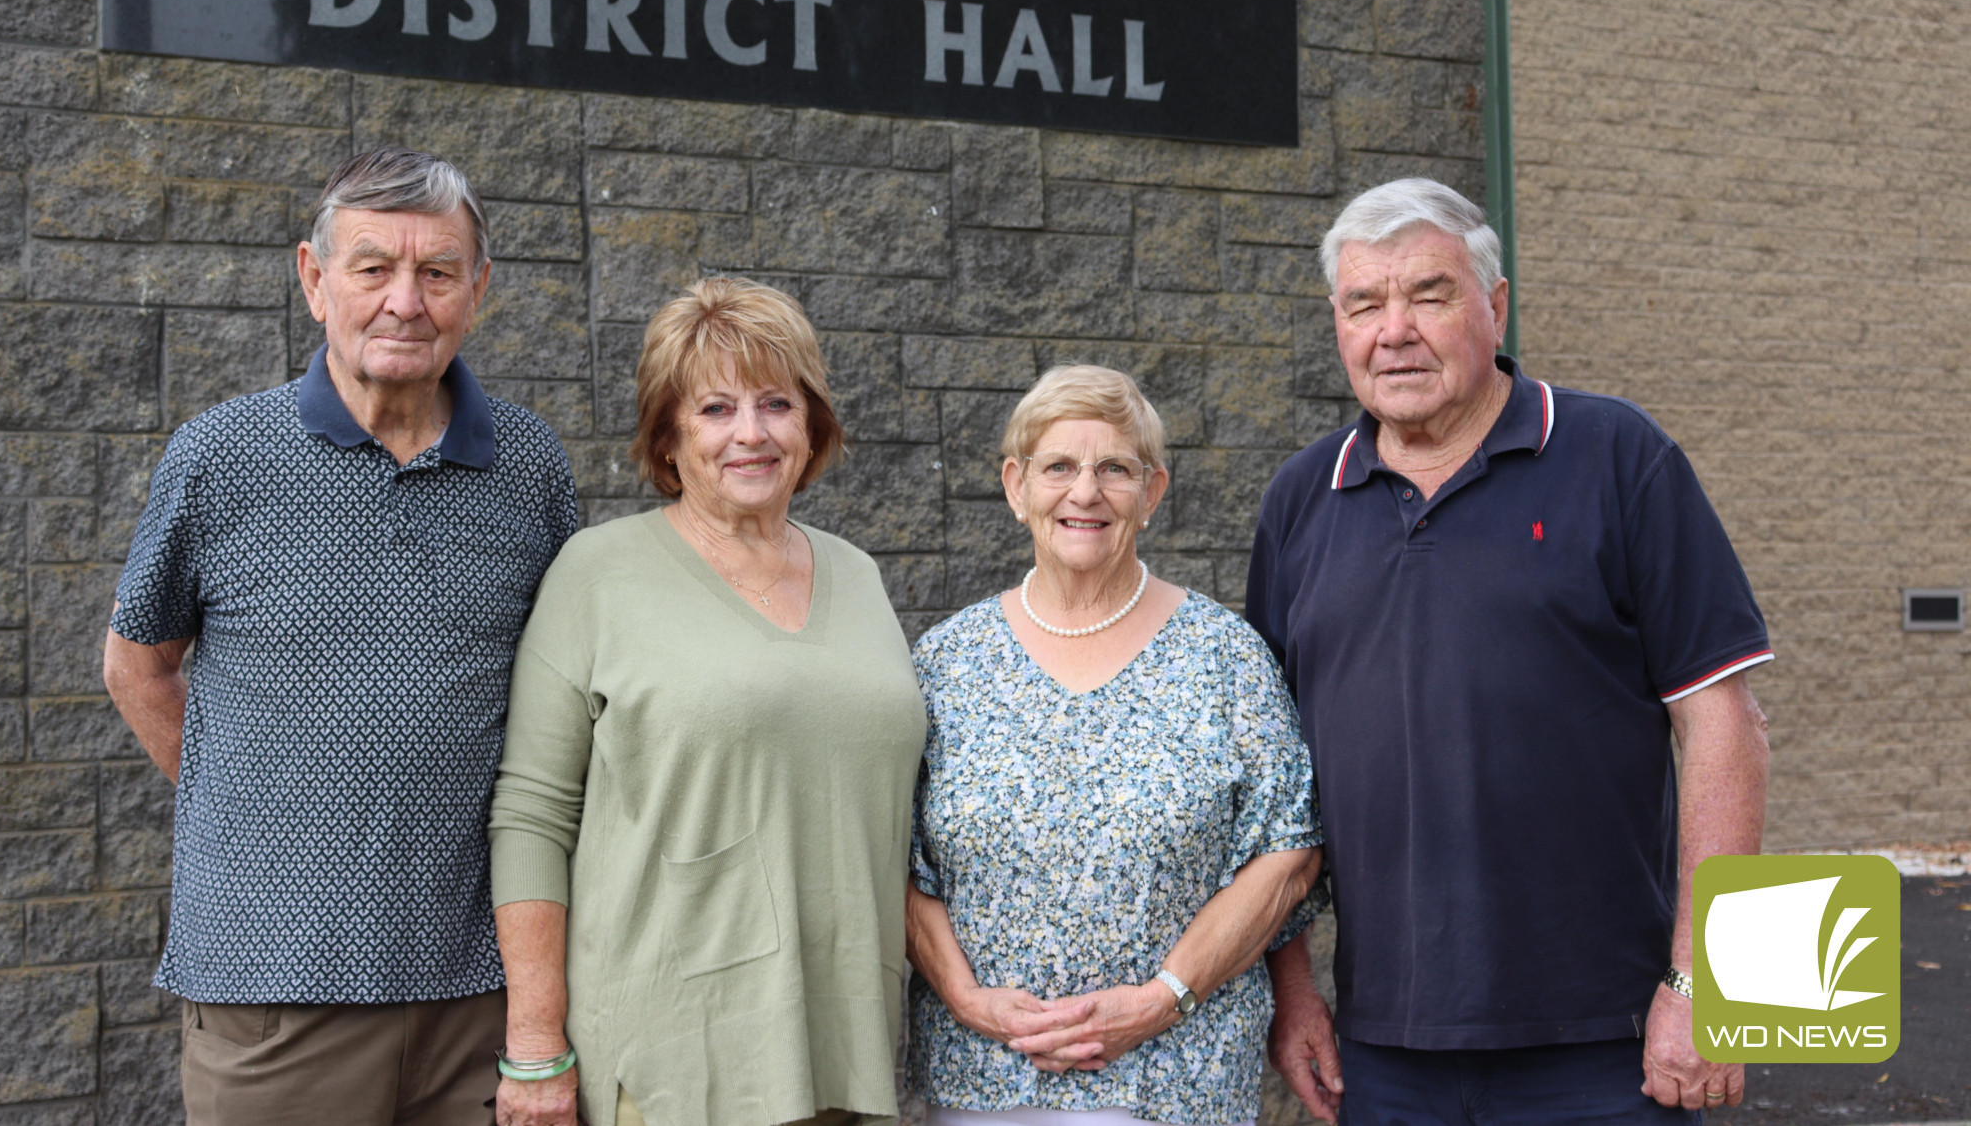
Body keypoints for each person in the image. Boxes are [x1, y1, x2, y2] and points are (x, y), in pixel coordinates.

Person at [1245, 178, 1773, 1126]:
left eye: (1429, 294)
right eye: (1365, 304)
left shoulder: (1618, 455)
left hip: (1607, 1043)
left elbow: (1726, 725)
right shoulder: (1299, 501)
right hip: (1385, 1044)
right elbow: (1270, 786)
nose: (1393, 330)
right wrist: (1293, 989)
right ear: (1339, 323)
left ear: (1493, 306)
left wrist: (1707, 988)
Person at [102, 146, 580, 1125]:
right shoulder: (221, 455)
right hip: (271, 998)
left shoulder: (528, 464)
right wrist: (261, 816)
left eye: (436, 272)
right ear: (315, 281)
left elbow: (564, 695)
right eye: (372, 267)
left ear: (476, 292)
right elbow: (138, 669)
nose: (404, 301)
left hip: (479, 995)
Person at [487, 276, 927, 1126]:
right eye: (716, 409)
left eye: (776, 403)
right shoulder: (597, 574)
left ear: (812, 423)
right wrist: (536, 1048)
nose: (752, 433)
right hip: (673, 1055)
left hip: (846, 1045)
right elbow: (533, 815)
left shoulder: (858, 574)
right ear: (669, 434)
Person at [905, 364, 1326, 1126]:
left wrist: (1160, 999)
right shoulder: (944, 663)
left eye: (1115, 469)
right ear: (1016, 485)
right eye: (1059, 466)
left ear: (1152, 491)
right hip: (985, 1084)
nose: (1085, 492)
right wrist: (967, 997)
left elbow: (1287, 853)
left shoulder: (1225, 656)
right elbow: (894, 856)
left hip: (1177, 1084)